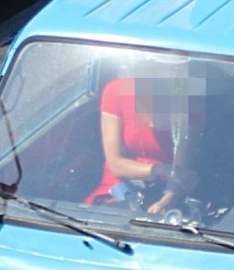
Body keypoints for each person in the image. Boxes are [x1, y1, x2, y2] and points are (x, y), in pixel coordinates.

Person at [85, 71, 201, 213]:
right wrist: (161, 169)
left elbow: (183, 175)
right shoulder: (116, 90)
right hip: (117, 188)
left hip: (168, 193)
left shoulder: (191, 98)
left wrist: (166, 202)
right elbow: (115, 164)